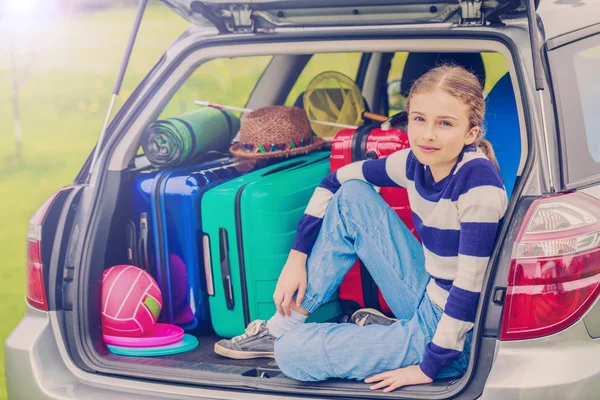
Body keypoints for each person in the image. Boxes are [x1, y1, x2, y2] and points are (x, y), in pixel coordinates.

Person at [214, 65, 508, 392]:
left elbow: (470, 287)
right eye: (419, 119)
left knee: (290, 354)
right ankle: (283, 325)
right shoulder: (415, 163)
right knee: (352, 195)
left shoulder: (478, 184)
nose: (427, 134)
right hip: (429, 296)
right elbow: (334, 181)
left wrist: (430, 366)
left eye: (445, 124)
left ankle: (391, 339)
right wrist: (296, 259)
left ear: (471, 133)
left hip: (459, 335)